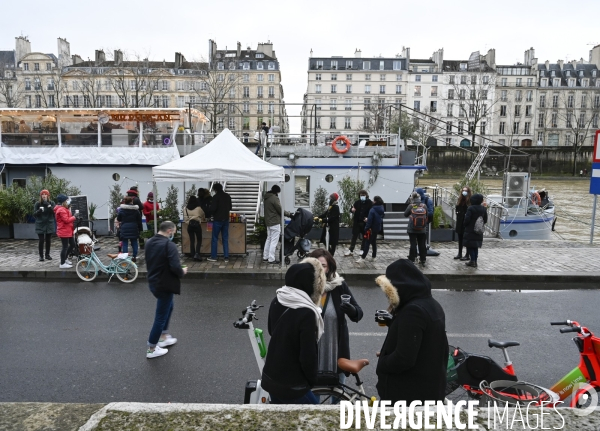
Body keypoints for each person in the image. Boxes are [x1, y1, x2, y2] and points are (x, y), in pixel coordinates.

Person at [375, 259, 448, 404]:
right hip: (428, 389)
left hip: (409, 394)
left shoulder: (413, 311)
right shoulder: (431, 304)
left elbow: (404, 359)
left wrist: (383, 362)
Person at [261, 258, 326, 404]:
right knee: (317, 417)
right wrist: (311, 381)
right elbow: (307, 356)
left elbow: (272, 330)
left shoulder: (279, 298)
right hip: (292, 385)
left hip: (271, 377)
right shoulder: (307, 312)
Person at [308, 249, 363, 392]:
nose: (320, 269)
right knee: (313, 398)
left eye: (324, 265)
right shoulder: (305, 287)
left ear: (329, 268)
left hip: (335, 350)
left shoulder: (339, 286)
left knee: (337, 397)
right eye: (316, 265)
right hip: (311, 351)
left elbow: (358, 314)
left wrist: (352, 310)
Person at [144, 221, 187, 359]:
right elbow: (175, 266)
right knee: (160, 316)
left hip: (153, 281)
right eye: (173, 232)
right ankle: (151, 348)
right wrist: (182, 272)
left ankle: (163, 336)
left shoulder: (150, 242)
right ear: (169, 231)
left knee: (169, 306)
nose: (173, 234)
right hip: (165, 284)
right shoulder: (169, 245)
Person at [263, 185, 290, 264]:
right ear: (276, 191)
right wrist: (289, 214)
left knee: (268, 239)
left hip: (268, 222)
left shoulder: (266, 198)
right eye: (278, 192)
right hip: (274, 222)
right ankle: (271, 259)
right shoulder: (274, 198)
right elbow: (280, 210)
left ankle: (265, 256)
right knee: (274, 241)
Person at [208, 183, 232, 263]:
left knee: (215, 238)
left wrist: (211, 211)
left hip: (217, 220)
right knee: (225, 238)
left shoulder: (215, 197)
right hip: (225, 219)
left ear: (215, 189)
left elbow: (213, 209)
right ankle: (226, 257)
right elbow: (230, 207)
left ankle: (214, 256)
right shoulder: (227, 196)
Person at [344, 190, 373, 257]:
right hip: (357, 222)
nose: (362, 196)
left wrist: (368, 218)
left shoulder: (369, 203)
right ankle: (351, 250)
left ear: (366, 195)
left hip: (365, 223)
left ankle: (362, 249)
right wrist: (352, 210)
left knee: (364, 237)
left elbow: (371, 212)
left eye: (363, 195)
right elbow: (352, 209)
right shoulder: (357, 202)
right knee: (354, 236)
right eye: (361, 195)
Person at [463, 193, 487, 268]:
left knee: (470, 246)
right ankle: (474, 260)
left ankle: (472, 261)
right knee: (475, 246)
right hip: (479, 230)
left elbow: (467, 219)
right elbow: (485, 219)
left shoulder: (471, 208)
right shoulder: (483, 208)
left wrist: (465, 225)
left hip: (470, 230)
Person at [357, 195, 384, 263]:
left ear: (375, 201)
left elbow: (370, 221)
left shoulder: (372, 210)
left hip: (371, 229)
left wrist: (366, 228)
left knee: (367, 243)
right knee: (374, 242)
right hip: (377, 228)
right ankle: (373, 256)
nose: (372, 201)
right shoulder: (381, 208)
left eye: (373, 200)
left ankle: (363, 257)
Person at [117, 196, 143, 263]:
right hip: (134, 228)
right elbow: (139, 220)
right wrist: (140, 229)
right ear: (131, 202)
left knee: (125, 243)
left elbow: (118, 219)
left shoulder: (121, 210)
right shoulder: (136, 210)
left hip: (124, 228)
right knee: (134, 242)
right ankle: (134, 256)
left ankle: (126, 257)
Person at [404, 192, 428, 265]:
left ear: (412, 199)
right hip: (422, 229)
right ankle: (423, 259)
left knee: (413, 244)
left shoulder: (411, 206)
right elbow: (426, 215)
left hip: (412, 229)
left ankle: (412, 259)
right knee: (422, 244)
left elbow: (405, 214)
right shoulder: (424, 206)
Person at [54, 194, 76, 269]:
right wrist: (74, 217)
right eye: (67, 200)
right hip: (64, 231)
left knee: (72, 244)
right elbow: (66, 220)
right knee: (65, 247)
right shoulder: (61, 210)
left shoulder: (64, 208)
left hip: (68, 230)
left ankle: (65, 258)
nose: (68, 201)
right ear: (63, 201)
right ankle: (62, 263)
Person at [34, 189, 56, 262]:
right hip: (40, 223)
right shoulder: (38, 204)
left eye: (45, 194)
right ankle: (41, 256)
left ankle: (47, 254)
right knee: (41, 240)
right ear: (41, 196)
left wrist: (49, 206)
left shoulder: (52, 202)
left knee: (48, 240)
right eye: (42, 194)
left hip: (49, 223)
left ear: (48, 195)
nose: (44, 195)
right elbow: (34, 214)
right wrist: (38, 211)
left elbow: (54, 212)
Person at [184, 195, 205, 261]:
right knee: (199, 240)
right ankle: (197, 254)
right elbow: (203, 214)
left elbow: (185, 219)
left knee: (192, 240)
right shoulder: (198, 208)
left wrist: (190, 222)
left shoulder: (185, 209)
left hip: (190, 226)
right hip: (197, 225)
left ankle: (192, 255)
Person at [454, 186, 472, 261]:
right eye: (463, 191)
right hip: (460, 221)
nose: (464, 192)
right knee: (460, 238)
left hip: (466, 222)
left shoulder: (470, 201)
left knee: (467, 239)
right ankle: (459, 253)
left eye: (466, 191)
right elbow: (457, 208)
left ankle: (467, 254)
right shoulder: (460, 200)